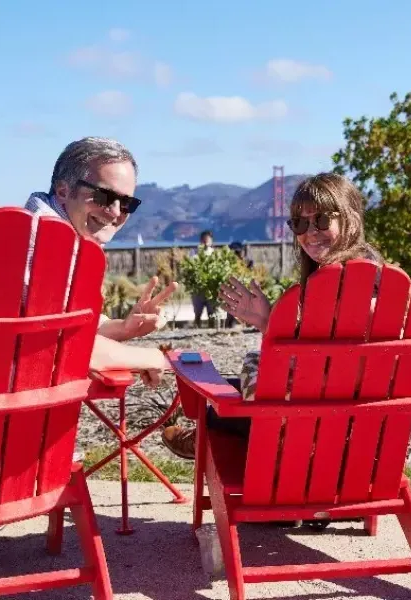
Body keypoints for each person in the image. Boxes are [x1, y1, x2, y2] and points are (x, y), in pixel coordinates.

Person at [0, 137, 177, 550]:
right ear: (63, 189)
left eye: (127, 203)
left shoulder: (22, 239)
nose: (116, 212)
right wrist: (158, 357)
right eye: (103, 195)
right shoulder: (49, 250)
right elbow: (72, 350)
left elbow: (35, 338)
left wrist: (119, 330)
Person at [161, 172, 382, 458]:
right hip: (363, 436)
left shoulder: (342, 291)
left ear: (350, 219)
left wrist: (273, 327)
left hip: (315, 438)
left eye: (322, 220)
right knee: (231, 387)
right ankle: (201, 429)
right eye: (300, 223)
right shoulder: (381, 281)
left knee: (228, 397)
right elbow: (320, 362)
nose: (310, 231)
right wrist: (269, 323)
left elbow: (315, 372)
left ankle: (200, 435)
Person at [190, 230, 217, 328]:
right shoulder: (194, 252)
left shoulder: (214, 253)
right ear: (201, 240)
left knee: (211, 311)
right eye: (204, 239)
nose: (206, 241)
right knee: (198, 311)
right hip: (198, 287)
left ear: (211, 241)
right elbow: (192, 266)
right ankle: (196, 327)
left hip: (211, 286)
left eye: (208, 239)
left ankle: (211, 328)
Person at [224, 241, 254, 328]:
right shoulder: (229, 263)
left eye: (238, 252)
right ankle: (230, 327)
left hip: (244, 289)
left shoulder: (247, 262)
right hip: (233, 289)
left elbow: (251, 275)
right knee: (231, 312)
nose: (236, 255)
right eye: (234, 252)